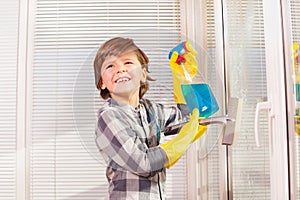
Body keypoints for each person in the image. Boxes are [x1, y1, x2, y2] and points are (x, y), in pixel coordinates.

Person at [93, 37, 207, 200]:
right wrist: (182, 140)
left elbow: (189, 117)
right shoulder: (109, 116)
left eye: (128, 63)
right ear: (102, 82)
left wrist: (182, 74)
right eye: (111, 66)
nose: (120, 69)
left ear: (143, 74)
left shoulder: (150, 110)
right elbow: (142, 164)